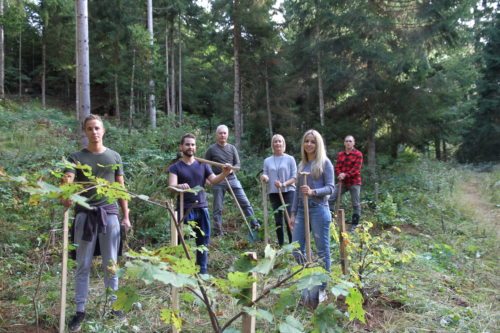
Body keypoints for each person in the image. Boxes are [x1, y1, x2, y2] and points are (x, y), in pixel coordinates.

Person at [62, 114, 131, 332]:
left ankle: (114, 307)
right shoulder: (75, 157)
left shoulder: (114, 156)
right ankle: (80, 311)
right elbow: (68, 181)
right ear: (84, 131)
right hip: (85, 215)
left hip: (110, 215)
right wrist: (65, 189)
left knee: (110, 263)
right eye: (90, 128)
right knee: (83, 264)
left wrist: (126, 215)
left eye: (97, 128)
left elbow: (121, 188)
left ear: (103, 130)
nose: (94, 132)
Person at [168, 133, 232, 274]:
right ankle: (180, 272)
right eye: (187, 144)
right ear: (181, 147)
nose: (190, 147)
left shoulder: (203, 165)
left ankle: (202, 272)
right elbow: (171, 186)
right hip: (184, 209)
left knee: (203, 241)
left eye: (192, 144)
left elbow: (214, 180)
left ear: (195, 147)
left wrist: (225, 173)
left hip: (201, 207)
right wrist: (179, 186)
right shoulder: (175, 167)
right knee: (180, 242)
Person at [291, 129, 334, 302]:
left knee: (322, 251)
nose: (309, 144)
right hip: (302, 210)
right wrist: (293, 213)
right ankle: (308, 281)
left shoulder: (324, 163)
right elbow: (296, 193)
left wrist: (313, 191)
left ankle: (322, 289)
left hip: (318, 209)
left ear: (318, 144)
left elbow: (331, 188)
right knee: (296, 249)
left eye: (313, 141)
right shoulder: (301, 165)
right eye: (306, 141)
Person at [204, 124, 260, 235]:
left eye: (224, 133)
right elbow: (205, 165)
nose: (222, 135)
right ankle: (218, 231)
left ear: (227, 135)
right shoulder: (211, 149)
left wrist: (231, 170)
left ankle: (255, 225)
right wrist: (207, 178)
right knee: (217, 208)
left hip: (232, 179)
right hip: (218, 180)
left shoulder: (232, 148)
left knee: (245, 202)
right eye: (220, 133)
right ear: (216, 135)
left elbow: (238, 164)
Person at [261, 134, 296, 246]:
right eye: (275, 141)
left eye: (280, 141)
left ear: (283, 143)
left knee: (289, 219)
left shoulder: (290, 159)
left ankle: (292, 245)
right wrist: (264, 177)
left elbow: (295, 177)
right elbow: (265, 173)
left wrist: (283, 184)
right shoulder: (267, 160)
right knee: (278, 220)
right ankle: (281, 245)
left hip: (289, 191)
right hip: (273, 193)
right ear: (272, 144)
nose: (277, 143)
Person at [328, 135, 363, 231]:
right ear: (344, 143)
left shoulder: (358, 154)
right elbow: (337, 167)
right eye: (346, 141)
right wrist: (339, 174)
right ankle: (331, 222)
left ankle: (354, 225)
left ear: (354, 143)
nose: (348, 143)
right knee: (330, 198)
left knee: (355, 204)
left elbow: (356, 169)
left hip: (354, 182)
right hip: (342, 182)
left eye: (350, 141)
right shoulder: (340, 154)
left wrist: (345, 175)